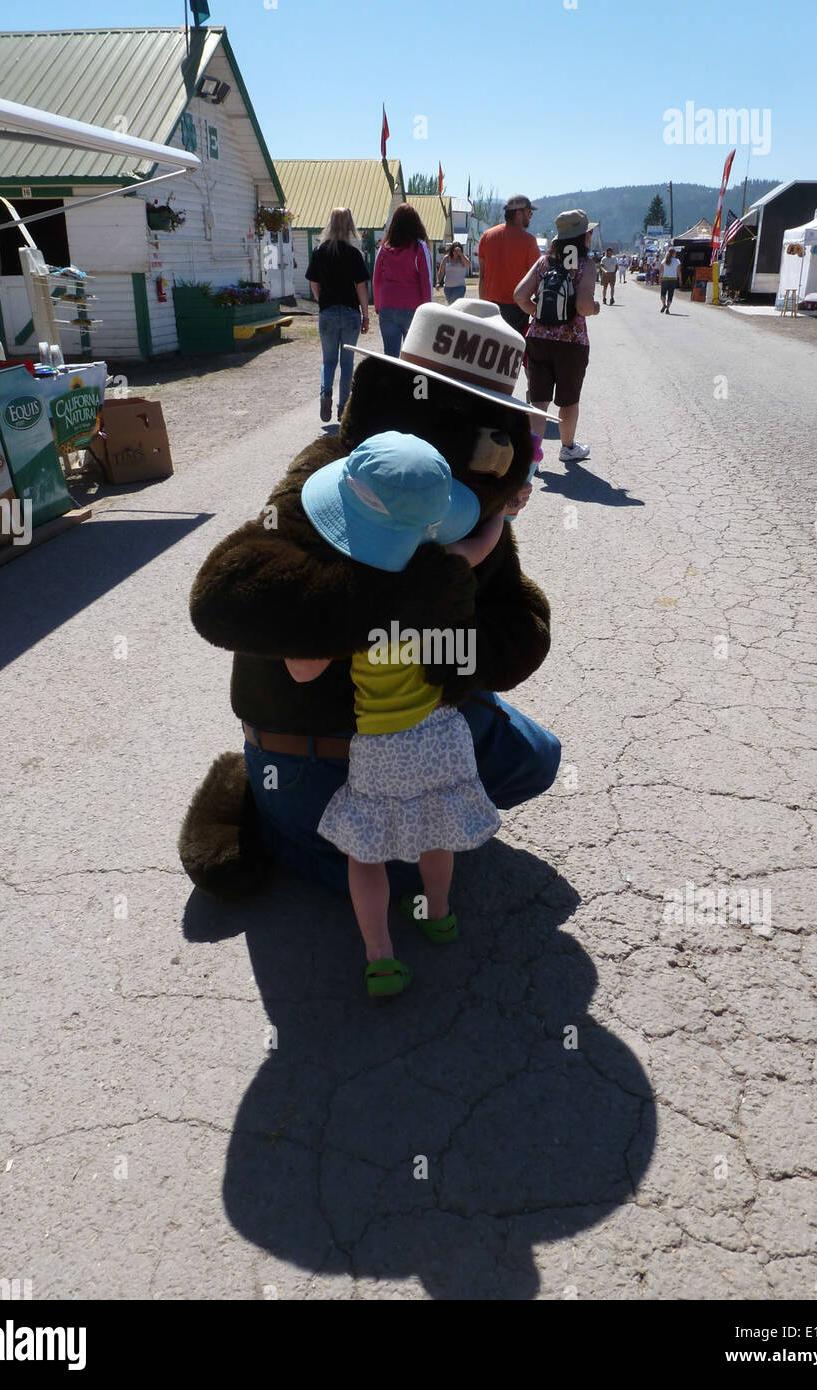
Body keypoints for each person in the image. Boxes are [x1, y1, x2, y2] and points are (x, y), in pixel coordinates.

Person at [290, 431, 504, 997]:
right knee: (437, 833)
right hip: (441, 733)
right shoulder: (440, 571)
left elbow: (302, 670)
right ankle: (438, 915)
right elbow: (482, 544)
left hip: (381, 745)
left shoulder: (350, 599)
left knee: (367, 854)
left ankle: (380, 956)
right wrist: (503, 507)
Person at [513, 208, 599, 465]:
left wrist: (537, 312)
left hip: (538, 338)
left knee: (539, 400)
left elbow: (519, 295)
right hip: (572, 342)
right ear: (583, 237)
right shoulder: (585, 265)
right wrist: (594, 308)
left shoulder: (544, 262)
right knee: (568, 400)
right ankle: (568, 447)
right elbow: (583, 306)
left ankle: (532, 457)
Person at [306, 207, 370, 421]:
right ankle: (343, 407)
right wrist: (366, 314)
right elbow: (361, 287)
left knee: (329, 360)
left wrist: (322, 300)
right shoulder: (354, 254)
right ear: (350, 225)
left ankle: (326, 393)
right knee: (347, 363)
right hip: (351, 312)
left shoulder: (319, 251)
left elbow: (314, 284)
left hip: (328, 312)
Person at [372, 203, 433, 357]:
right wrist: (429, 312)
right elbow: (427, 281)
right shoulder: (420, 247)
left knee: (390, 357)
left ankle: (391, 382)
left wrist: (379, 305)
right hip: (413, 309)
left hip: (387, 307)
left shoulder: (384, 248)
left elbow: (377, 278)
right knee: (412, 357)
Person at [477, 194, 541, 333]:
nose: (531, 215)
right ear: (519, 213)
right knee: (513, 352)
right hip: (516, 309)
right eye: (529, 212)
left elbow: (482, 276)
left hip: (490, 308)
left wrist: (483, 306)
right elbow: (537, 279)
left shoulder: (487, 236)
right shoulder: (529, 241)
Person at [660, 246, 681, 313]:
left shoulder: (664, 261)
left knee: (663, 294)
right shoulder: (677, 261)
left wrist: (659, 278)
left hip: (665, 279)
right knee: (670, 294)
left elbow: (661, 271)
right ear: (673, 253)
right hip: (673, 279)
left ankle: (664, 304)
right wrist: (680, 279)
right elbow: (679, 271)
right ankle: (668, 309)